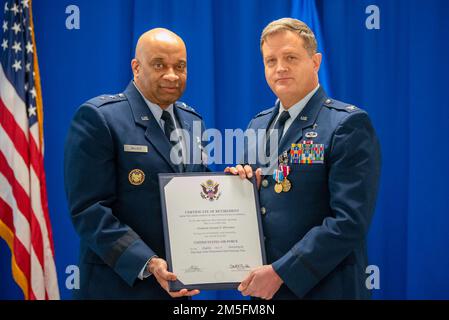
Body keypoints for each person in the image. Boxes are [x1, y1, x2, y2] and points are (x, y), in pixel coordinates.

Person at [226, 18, 381, 299]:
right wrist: (238, 189)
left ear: (315, 61)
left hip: (324, 287)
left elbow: (349, 221)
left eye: (290, 57)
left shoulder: (346, 124)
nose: (280, 68)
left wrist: (282, 272)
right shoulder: (257, 126)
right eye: (270, 60)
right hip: (265, 290)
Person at [64, 28, 206, 299]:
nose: (172, 75)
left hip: (177, 288)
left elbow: (198, 188)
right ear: (136, 67)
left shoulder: (192, 121)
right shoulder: (100, 118)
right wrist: (148, 262)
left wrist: (234, 183)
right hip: (117, 287)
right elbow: (89, 210)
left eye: (180, 66)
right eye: (159, 65)